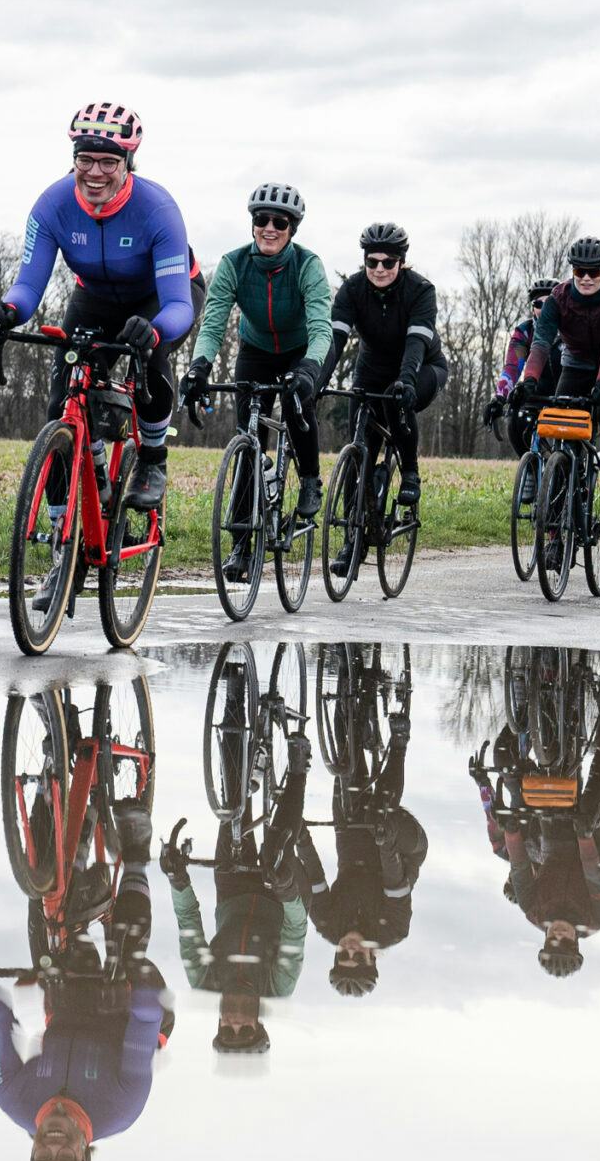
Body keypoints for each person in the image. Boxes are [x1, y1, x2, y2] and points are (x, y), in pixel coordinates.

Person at [0, 102, 198, 518]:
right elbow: (28, 285)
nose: (95, 172)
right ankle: (64, 536)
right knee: (62, 402)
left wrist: (154, 331)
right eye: (85, 159)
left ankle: (152, 459)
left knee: (151, 356)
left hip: (161, 294)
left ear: (128, 163)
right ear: (73, 159)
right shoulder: (52, 205)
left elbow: (178, 306)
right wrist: (7, 310)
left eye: (108, 162)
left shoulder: (157, 209)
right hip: (95, 295)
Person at [0, 792, 167, 1161]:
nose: (53, 1147)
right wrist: (140, 985)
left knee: (45, 918)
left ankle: (63, 837)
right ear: (85, 1155)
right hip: (125, 1015)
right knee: (129, 949)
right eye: (63, 1158)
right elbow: (146, 1021)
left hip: (66, 1008)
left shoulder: (13, 1099)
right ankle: (138, 851)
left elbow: (2, 1025)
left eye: (43, 1159)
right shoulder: (120, 1108)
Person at [182, 183, 334, 579]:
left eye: (278, 222)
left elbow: (321, 327)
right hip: (255, 351)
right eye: (260, 220)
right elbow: (214, 320)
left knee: (299, 409)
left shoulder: (307, 265)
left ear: (291, 229)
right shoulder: (235, 263)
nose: (269, 228)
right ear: (252, 224)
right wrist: (199, 366)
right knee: (247, 444)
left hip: (300, 349)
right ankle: (240, 549)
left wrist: (309, 369)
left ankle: (310, 482)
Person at [165, 671, 309, 1058]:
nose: (233, 1021)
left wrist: (178, 881)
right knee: (280, 843)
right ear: (259, 1023)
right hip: (281, 903)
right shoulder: (279, 987)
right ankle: (298, 768)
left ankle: (233, 701)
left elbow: (189, 926)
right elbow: (296, 931)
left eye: (226, 1028)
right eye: (242, 1028)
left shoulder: (205, 983)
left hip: (232, 894)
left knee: (232, 810)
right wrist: (287, 890)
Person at [291, 647, 427, 996]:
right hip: (401, 852)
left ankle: (348, 701)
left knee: (344, 768)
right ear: (372, 957)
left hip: (351, 850)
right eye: (358, 956)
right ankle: (399, 742)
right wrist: (384, 840)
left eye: (343, 956)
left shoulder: (325, 923)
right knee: (382, 811)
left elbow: (314, 876)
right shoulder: (394, 930)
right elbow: (395, 877)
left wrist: (298, 836)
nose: (350, 948)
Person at [470, 662, 600, 974]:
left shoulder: (531, 909)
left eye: (552, 941)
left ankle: (528, 706)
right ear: (575, 942)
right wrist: (584, 835)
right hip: (596, 843)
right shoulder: (597, 919)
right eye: (565, 942)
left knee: (512, 766)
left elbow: (520, 867)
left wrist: (511, 832)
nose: (559, 936)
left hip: (553, 841)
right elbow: (594, 874)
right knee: (590, 802)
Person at [314, 221, 446, 574]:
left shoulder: (420, 290)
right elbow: (335, 341)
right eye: (372, 262)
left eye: (388, 263)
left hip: (421, 366)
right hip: (371, 367)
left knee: (396, 399)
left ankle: (411, 472)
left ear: (401, 262)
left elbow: (417, 343)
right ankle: (350, 545)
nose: (379, 269)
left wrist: (405, 381)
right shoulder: (353, 290)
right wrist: (318, 380)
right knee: (358, 456)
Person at [515, 236, 600, 528]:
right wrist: (529, 380)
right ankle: (558, 523)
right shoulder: (558, 298)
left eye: (593, 272)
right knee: (561, 427)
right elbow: (542, 342)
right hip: (576, 367)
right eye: (579, 271)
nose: (585, 278)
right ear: (572, 271)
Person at [484, 277, 558, 485]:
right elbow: (512, 367)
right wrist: (500, 397)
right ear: (532, 307)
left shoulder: (570, 330)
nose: (543, 309)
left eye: (549, 303)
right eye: (538, 304)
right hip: (536, 389)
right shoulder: (524, 332)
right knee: (515, 414)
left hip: (567, 389)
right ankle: (532, 470)